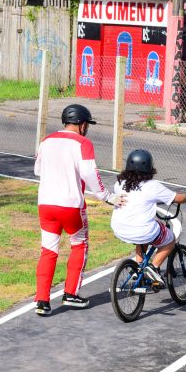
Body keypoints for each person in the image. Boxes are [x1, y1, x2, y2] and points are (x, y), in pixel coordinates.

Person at [33, 104, 123, 316]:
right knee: (79, 244)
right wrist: (108, 197)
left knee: (48, 250)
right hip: (71, 204)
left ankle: (42, 301)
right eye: (87, 125)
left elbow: (37, 170)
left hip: (45, 204)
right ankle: (71, 293)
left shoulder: (46, 141)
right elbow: (91, 174)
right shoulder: (83, 143)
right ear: (82, 125)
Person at [110, 149, 186, 287]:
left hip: (119, 228)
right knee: (170, 239)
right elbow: (178, 198)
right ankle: (154, 267)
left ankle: (138, 269)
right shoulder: (153, 186)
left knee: (144, 233)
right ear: (149, 168)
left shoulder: (120, 183)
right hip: (142, 230)